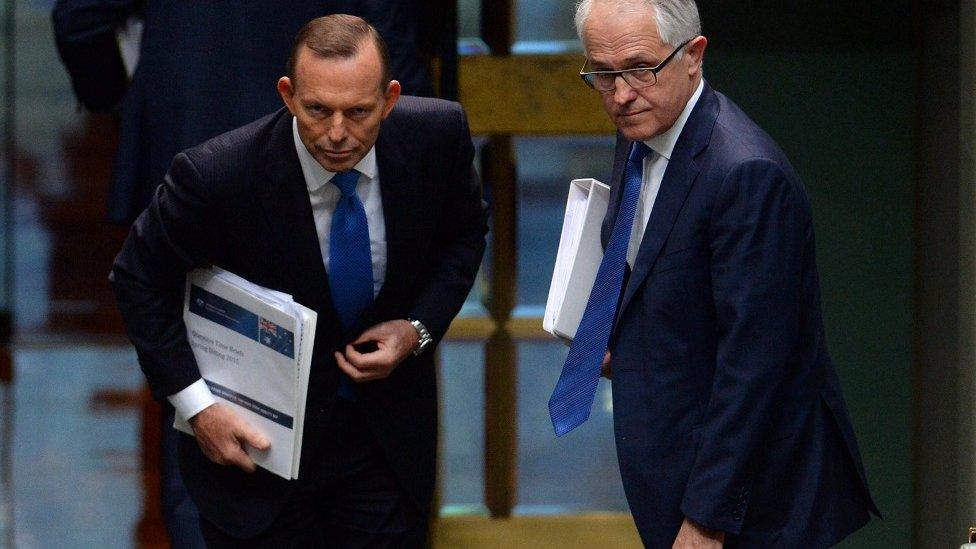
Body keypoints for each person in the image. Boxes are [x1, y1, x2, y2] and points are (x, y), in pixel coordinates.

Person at [109, 14, 487, 547]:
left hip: (382, 449)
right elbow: (137, 278)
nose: (337, 134)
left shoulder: (437, 138)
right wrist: (198, 408)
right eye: (317, 111)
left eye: (358, 112)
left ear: (391, 98)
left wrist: (419, 328)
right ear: (288, 95)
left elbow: (465, 236)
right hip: (257, 461)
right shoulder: (218, 174)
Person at [546, 1, 881, 546]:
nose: (621, 94)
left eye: (639, 68)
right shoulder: (643, 126)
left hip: (750, 506)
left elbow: (756, 369)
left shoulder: (746, 175)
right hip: (672, 460)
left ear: (693, 56)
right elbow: (647, 255)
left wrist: (706, 520)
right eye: (602, 75)